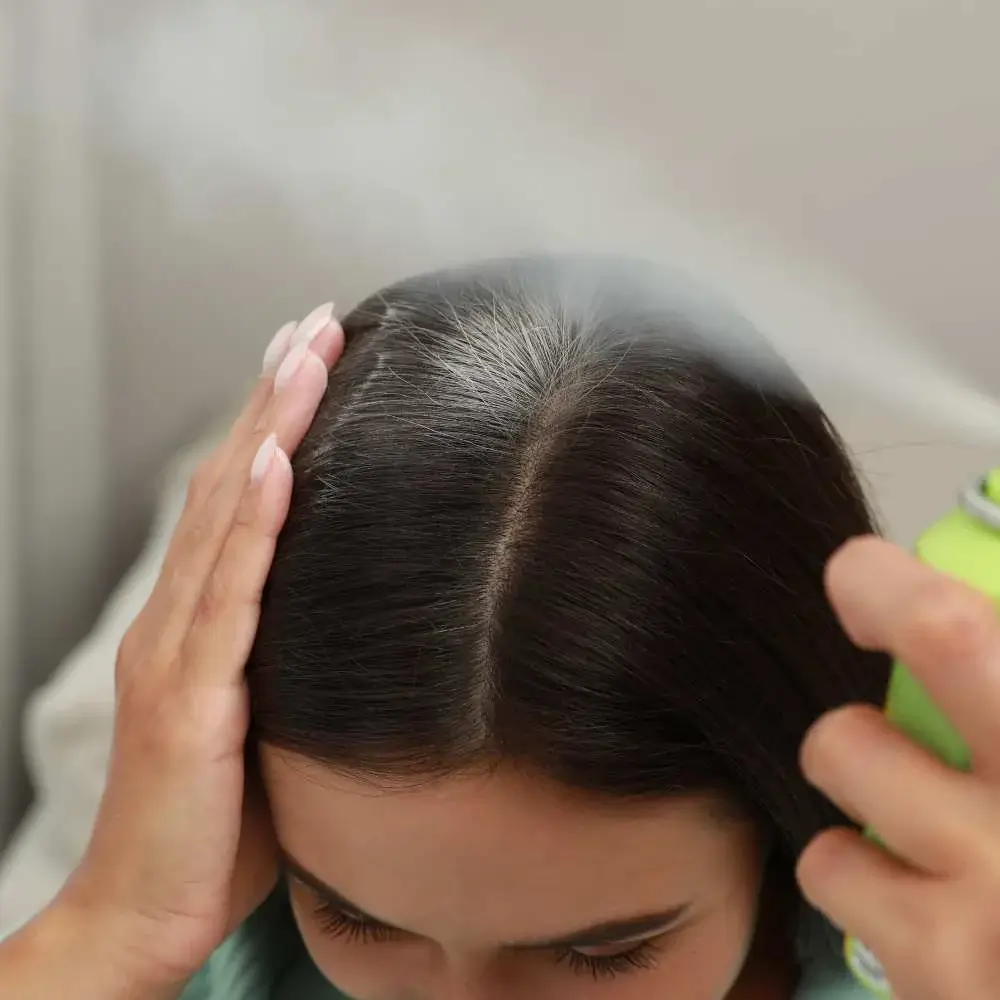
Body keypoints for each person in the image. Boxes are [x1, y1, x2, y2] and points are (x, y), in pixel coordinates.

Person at [1, 256, 998, 1000]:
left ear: (783, 819)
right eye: (353, 914)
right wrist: (108, 930)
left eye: (600, 950)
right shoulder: (206, 961)